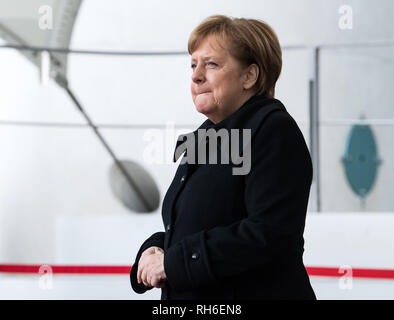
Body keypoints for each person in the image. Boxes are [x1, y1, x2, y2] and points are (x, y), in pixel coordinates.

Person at [130, 14, 316, 300]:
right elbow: (189, 225)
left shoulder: (273, 131)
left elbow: (269, 233)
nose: (196, 75)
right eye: (193, 64)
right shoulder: (203, 138)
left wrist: (173, 263)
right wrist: (155, 249)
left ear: (249, 76)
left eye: (211, 63)